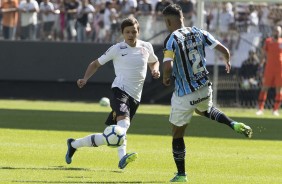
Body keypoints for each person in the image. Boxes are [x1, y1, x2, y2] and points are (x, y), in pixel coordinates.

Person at [161, 4, 253, 182]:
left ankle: (181, 175)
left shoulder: (171, 39)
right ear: (182, 18)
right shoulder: (199, 32)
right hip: (204, 87)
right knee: (205, 109)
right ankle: (232, 124)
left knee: (177, 133)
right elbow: (224, 50)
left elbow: (167, 65)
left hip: (185, 93)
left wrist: (166, 77)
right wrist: (227, 61)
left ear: (168, 21)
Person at [65, 16, 160, 169]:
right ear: (123, 33)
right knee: (122, 127)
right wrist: (85, 78)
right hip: (120, 91)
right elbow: (95, 64)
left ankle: (74, 144)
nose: (131, 35)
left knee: (111, 135)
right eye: (127, 32)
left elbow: (154, 61)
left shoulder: (146, 47)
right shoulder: (117, 49)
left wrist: (155, 70)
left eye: (133, 31)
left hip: (135, 97)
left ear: (138, 32)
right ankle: (122, 158)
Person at [256, 25, 282, 116]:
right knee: (265, 87)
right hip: (269, 68)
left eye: (278, 31)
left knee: (279, 89)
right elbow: (263, 55)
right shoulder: (268, 41)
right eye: (275, 31)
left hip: (280, 70)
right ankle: (260, 108)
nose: (277, 32)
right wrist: (260, 65)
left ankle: (275, 110)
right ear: (273, 31)